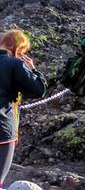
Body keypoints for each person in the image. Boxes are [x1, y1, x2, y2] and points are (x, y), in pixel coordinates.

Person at [0, 30, 47, 189]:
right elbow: (38, 90)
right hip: (3, 127)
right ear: (18, 49)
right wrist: (32, 69)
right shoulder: (14, 63)